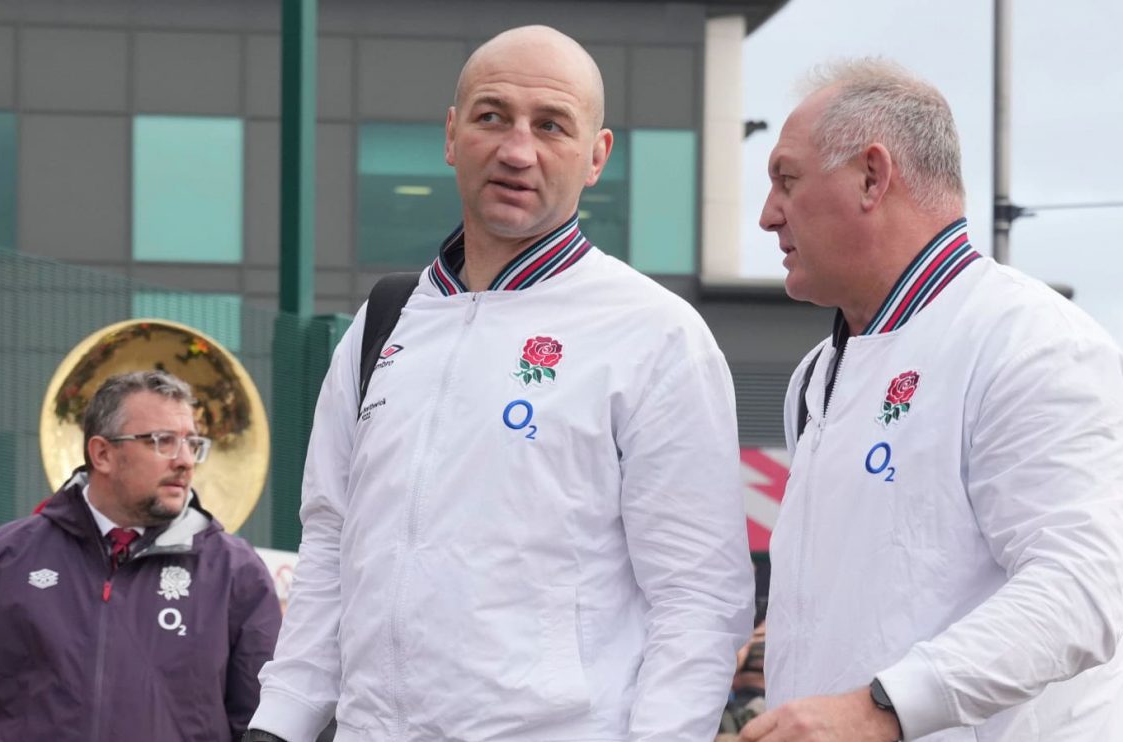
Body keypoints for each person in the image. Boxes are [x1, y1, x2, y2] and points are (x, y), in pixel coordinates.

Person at [246, 25, 753, 742]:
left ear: (596, 157)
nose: (518, 150)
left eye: (551, 126)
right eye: (492, 117)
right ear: (453, 136)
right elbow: (331, 542)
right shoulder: (385, 322)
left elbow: (697, 599)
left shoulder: (654, 334)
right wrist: (280, 724)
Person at [740, 58, 1123, 741]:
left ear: (872, 177)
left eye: (786, 181)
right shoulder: (818, 375)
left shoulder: (1035, 341)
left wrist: (879, 708)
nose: (766, 216)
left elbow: (1078, 595)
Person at [0, 370, 281, 741]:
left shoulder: (237, 574)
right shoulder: (2, 560)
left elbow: (262, 723)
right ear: (102, 453)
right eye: (162, 441)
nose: (185, 461)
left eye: (192, 443)